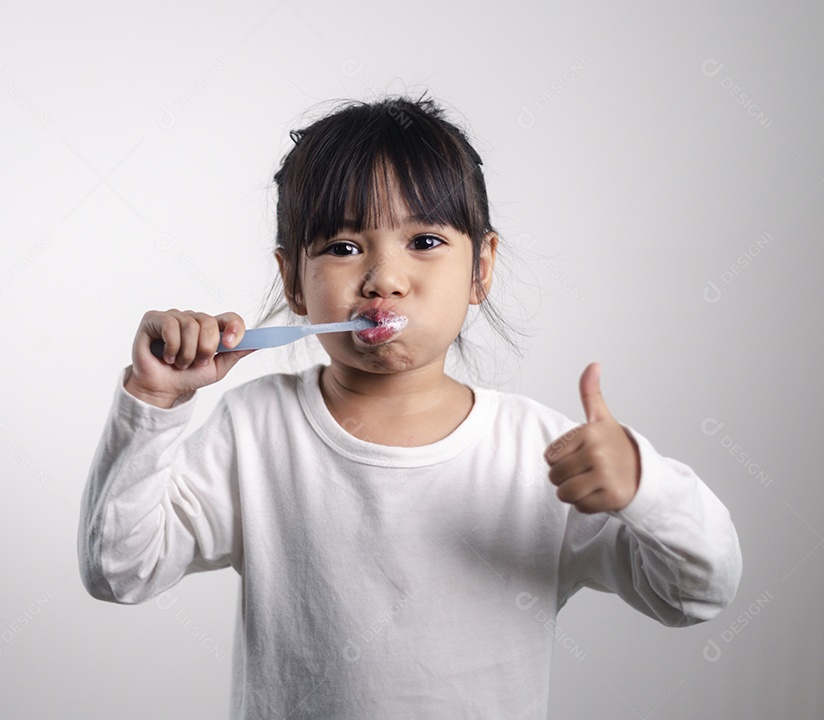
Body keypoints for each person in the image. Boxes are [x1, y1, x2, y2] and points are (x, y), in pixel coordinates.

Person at [77, 93, 743, 719]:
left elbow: (697, 592)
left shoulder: (541, 455)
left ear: (481, 268)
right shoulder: (255, 430)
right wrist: (155, 403)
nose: (383, 280)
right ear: (293, 282)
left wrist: (643, 486)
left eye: (424, 241)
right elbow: (119, 570)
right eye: (342, 247)